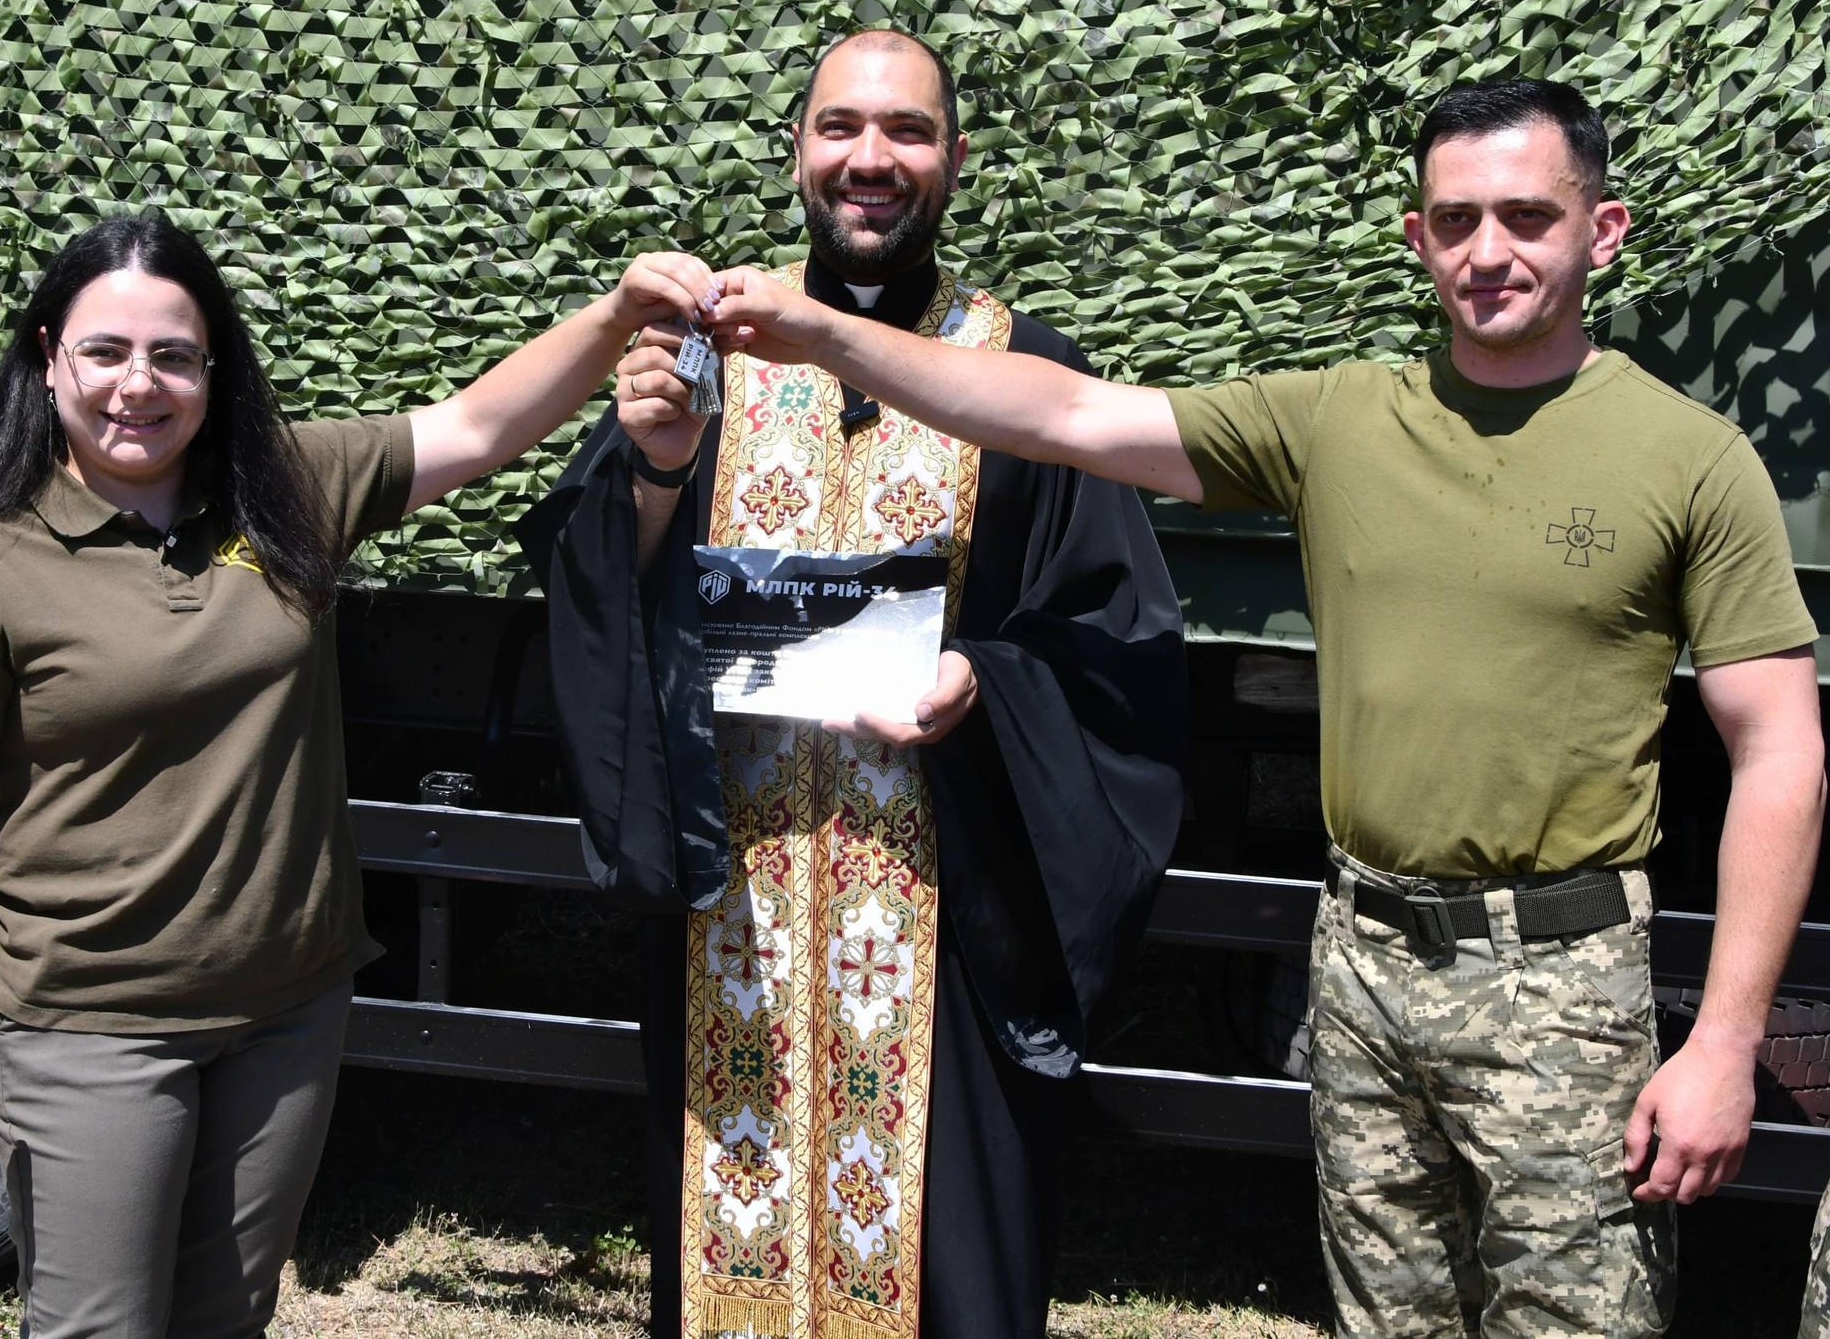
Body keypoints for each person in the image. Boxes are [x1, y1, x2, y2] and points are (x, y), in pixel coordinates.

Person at [713, 78, 1827, 1336]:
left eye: (1526, 216)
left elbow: (1778, 752)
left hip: (1560, 986)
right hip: (1361, 969)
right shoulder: (1339, 422)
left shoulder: (1688, 460)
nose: (1487, 252)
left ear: (1601, 230)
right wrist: (827, 335)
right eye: (1454, 221)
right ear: (1416, 239)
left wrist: (1721, 1041)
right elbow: (1066, 412)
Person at [0, 211, 716, 1338]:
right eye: (105, 351)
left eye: (173, 355)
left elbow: (477, 425)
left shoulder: (285, 488)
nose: (138, 385)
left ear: (212, 368)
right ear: (50, 358)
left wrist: (613, 316)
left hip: (287, 1014)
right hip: (93, 1027)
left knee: (230, 1319)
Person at [519, 29, 1188, 1339]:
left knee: (950, 1271)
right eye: (840, 128)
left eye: (906, 131)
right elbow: (599, 596)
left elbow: (1114, 639)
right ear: (797, 150)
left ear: (955, 158)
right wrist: (656, 471)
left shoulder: (1024, 371)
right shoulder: (703, 352)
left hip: (948, 907)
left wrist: (983, 679)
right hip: (737, 910)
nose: (870, 159)